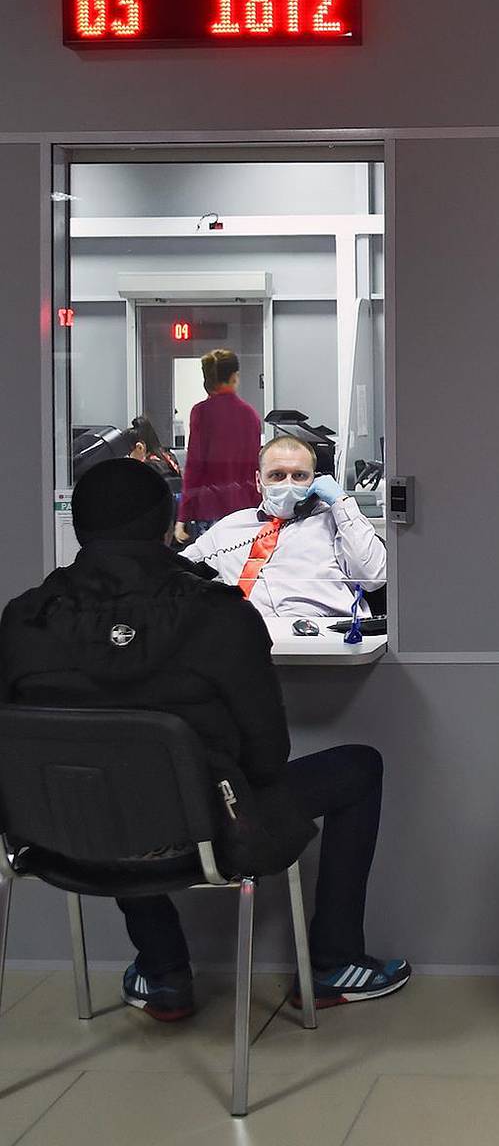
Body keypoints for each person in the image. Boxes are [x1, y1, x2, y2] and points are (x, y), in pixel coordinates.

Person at [0, 458, 409, 1020]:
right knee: (358, 767)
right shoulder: (220, 616)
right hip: (211, 836)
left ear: (79, 526)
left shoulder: (24, 620)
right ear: (165, 524)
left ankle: (163, 971)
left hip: (62, 836)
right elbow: (267, 757)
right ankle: (334, 961)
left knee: (104, 781)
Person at [183, 435, 386, 619]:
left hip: (324, 637)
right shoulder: (229, 527)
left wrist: (341, 502)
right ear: (258, 481)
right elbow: (175, 572)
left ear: (315, 480)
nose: (288, 484)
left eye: (299, 476)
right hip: (247, 637)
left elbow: (373, 577)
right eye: (277, 475)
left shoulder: (335, 522)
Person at [175, 349, 262, 545]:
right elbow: (255, 469)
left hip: (209, 507)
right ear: (234, 377)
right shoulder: (250, 415)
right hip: (245, 509)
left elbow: (194, 466)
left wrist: (183, 514)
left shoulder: (201, 412)